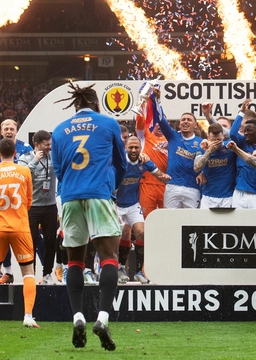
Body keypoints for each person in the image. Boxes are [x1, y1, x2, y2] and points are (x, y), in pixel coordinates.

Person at [52, 82, 126, 351]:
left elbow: (58, 169)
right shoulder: (108, 124)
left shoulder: (60, 130)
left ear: (75, 106)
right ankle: (103, 319)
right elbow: (122, 162)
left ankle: (78, 317)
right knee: (109, 258)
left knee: (75, 262)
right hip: (99, 194)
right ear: (96, 104)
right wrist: (110, 186)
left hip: (70, 197)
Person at [0, 138, 38, 329]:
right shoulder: (24, 171)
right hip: (20, 227)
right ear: (15, 153)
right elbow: (29, 201)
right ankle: (28, 316)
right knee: (28, 272)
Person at [116, 136, 170, 284]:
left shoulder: (144, 161)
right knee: (122, 234)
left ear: (141, 149)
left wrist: (168, 178)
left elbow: (159, 175)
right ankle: (119, 268)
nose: (133, 150)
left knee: (142, 232)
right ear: (126, 148)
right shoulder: (119, 161)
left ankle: (139, 271)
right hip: (117, 205)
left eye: (136, 147)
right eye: (130, 147)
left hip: (133, 205)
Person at [0, 119, 33, 284]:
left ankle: (37, 271)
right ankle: (8, 272)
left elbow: (31, 174)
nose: (9, 131)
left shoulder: (27, 148)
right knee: (5, 237)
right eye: (6, 129)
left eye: (11, 128)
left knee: (33, 236)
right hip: (4, 203)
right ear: (1, 132)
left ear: (17, 131)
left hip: (22, 201)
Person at [19, 130, 60, 284]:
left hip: (50, 206)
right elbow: (22, 176)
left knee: (51, 241)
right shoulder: (25, 158)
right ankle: (30, 275)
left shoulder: (53, 156)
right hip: (32, 207)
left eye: (51, 144)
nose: (50, 146)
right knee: (32, 241)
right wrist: (35, 160)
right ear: (37, 144)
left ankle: (48, 273)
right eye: (47, 144)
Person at [152, 89, 204, 208]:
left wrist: (203, 172)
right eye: (183, 120)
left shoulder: (201, 143)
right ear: (179, 124)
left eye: (189, 120)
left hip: (192, 187)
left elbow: (208, 161)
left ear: (195, 125)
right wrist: (158, 100)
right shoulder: (172, 136)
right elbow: (161, 120)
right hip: (172, 185)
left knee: (191, 222)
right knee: (171, 221)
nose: (185, 121)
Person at [194, 123, 236, 208]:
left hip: (228, 196)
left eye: (219, 140)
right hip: (208, 196)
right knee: (205, 221)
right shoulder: (203, 148)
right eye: (213, 140)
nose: (216, 143)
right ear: (208, 137)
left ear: (223, 136)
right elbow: (196, 168)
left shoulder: (230, 147)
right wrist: (209, 151)